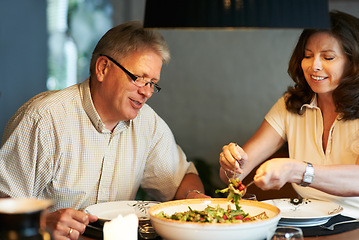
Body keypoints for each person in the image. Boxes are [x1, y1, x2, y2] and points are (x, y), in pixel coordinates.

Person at [0, 21, 208, 239]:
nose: (147, 92)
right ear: (102, 68)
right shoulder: (44, 119)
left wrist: (194, 197)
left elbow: (184, 178)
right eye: (139, 78)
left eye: (153, 83)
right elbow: (4, 204)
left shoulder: (148, 123)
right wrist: (45, 222)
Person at [219, 10, 359, 218]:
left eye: (328, 57)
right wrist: (231, 164)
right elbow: (231, 175)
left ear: (353, 63)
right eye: (308, 55)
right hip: (309, 225)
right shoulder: (291, 105)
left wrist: (299, 170)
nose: (314, 66)